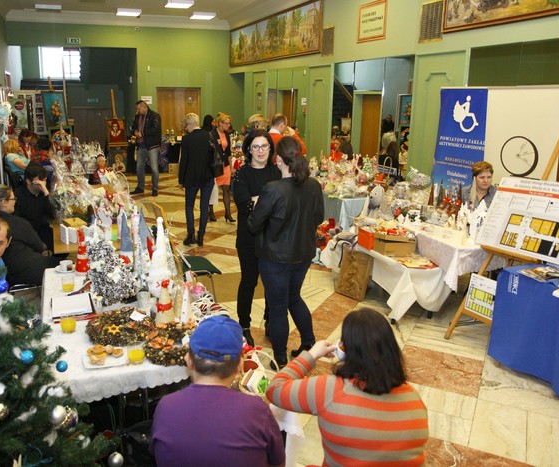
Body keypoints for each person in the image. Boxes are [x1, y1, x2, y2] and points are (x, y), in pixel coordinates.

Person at [266, 308, 429, 466]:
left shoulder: (329, 390)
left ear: (344, 350)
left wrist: (311, 355)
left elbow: (275, 388)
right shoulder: (414, 399)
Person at [150, 315, 285, 467]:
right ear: (239, 366)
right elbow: (279, 463)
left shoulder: (165, 406)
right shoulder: (257, 410)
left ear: (188, 361)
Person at [248, 136, 324, 368]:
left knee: (278, 307)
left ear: (278, 159)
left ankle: (280, 357)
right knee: (294, 298)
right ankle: (308, 343)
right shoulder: (313, 185)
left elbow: (253, 225)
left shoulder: (273, 189)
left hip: (275, 258)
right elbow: (318, 218)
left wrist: (256, 207)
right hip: (303, 254)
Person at [232, 129, 280, 347]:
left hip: (272, 236)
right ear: (249, 149)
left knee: (272, 282)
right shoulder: (241, 174)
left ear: (270, 148)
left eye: (264, 146)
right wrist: (271, 199)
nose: (261, 151)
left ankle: (270, 321)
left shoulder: (276, 172)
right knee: (249, 281)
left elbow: (283, 201)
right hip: (248, 237)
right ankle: (244, 325)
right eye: (256, 146)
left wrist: (260, 199)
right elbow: (245, 205)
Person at [0, 184, 59, 286]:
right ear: (3, 202)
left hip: (2, 274)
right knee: (67, 265)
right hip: (26, 272)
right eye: (13, 199)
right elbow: (40, 247)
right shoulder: (18, 223)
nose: (15, 202)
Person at [179, 113, 215, 247]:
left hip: (191, 177)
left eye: (186, 125)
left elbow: (184, 161)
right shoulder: (209, 136)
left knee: (189, 205)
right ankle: (201, 236)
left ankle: (191, 235)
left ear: (190, 124)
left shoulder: (186, 139)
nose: (186, 128)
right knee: (204, 206)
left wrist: (181, 180)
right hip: (208, 176)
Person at [14, 163, 55, 250]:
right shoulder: (19, 195)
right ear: (28, 181)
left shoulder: (45, 191)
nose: (43, 183)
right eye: (39, 181)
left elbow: (53, 214)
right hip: (27, 232)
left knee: (63, 245)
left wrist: (46, 193)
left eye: (44, 180)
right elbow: (17, 221)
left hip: (43, 229)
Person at [130, 100, 162, 196]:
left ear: (145, 107)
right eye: (137, 109)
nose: (137, 111)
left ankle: (155, 188)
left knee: (154, 168)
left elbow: (155, 129)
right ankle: (140, 187)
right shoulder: (137, 117)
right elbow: (133, 127)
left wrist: (142, 133)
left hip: (152, 145)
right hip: (141, 145)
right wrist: (135, 132)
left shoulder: (154, 116)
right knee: (139, 167)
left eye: (139, 109)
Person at [211, 112, 235, 223]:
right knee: (213, 189)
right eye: (226, 123)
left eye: (229, 124)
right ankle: (210, 211)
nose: (228, 126)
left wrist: (231, 167)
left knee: (226, 189)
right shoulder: (212, 134)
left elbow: (229, 152)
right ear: (220, 123)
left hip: (225, 165)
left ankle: (228, 213)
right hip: (215, 165)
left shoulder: (227, 135)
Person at [202, 114, 218, 222]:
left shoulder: (214, 132)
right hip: (205, 165)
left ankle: (211, 210)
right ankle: (206, 212)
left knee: (214, 190)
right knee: (206, 190)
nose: (214, 123)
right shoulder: (204, 133)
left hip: (212, 165)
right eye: (213, 122)